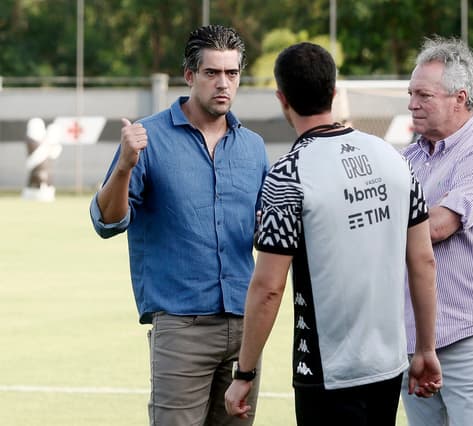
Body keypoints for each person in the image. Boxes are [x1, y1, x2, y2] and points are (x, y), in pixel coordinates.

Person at [224, 42, 442, 426]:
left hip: (328, 373)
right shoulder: (392, 158)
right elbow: (423, 259)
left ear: (282, 99)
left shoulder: (287, 175)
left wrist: (244, 373)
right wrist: (425, 347)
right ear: (334, 90)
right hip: (388, 365)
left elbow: (268, 287)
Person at [89, 24, 269, 426]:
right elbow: (107, 222)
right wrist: (123, 167)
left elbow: (262, 230)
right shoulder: (147, 138)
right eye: (212, 73)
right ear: (189, 76)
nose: (223, 83)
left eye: (232, 73)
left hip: (246, 326)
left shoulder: (253, 147)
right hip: (181, 327)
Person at [401, 36, 473, 426]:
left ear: (459, 97)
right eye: (410, 93)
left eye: (424, 95)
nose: (412, 103)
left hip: (470, 336)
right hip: (414, 341)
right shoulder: (407, 159)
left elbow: (436, 226)